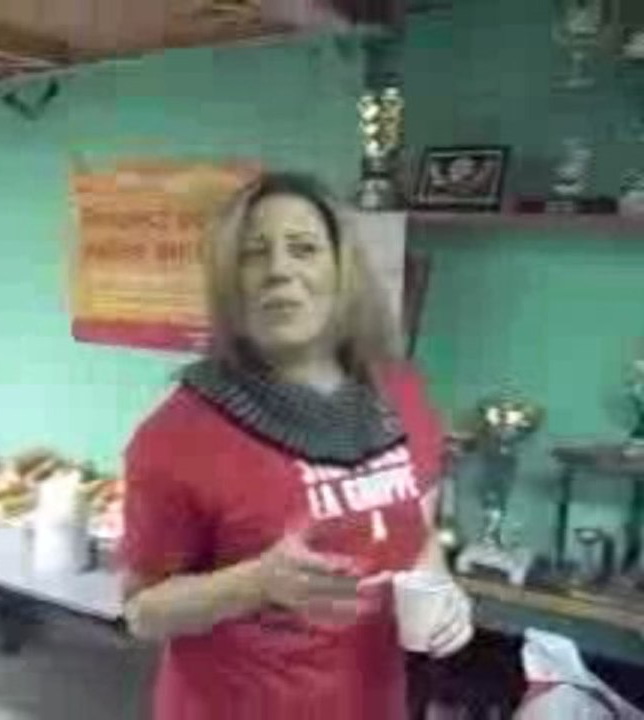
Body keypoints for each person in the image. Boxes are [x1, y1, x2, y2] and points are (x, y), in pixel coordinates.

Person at [121, 172, 474, 719]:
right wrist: (257, 583)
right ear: (229, 283)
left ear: (341, 269)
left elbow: (417, 534)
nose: (280, 269)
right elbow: (142, 612)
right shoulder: (175, 437)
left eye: (304, 248)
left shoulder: (401, 393)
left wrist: (442, 591)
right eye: (253, 253)